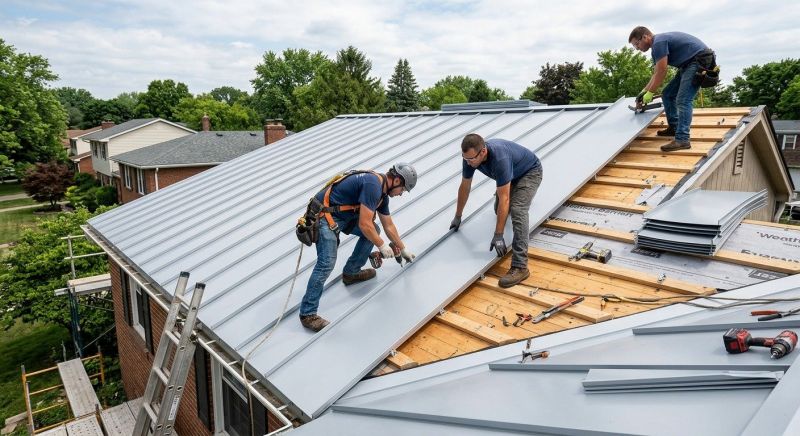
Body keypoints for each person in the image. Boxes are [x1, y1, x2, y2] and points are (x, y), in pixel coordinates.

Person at [299, 163, 418, 332]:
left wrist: (403, 248)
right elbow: (364, 224)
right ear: (397, 180)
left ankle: (351, 273)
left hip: (342, 215)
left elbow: (388, 226)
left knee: (374, 230)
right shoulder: (373, 185)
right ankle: (308, 314)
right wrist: (382, 245)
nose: (401, 194)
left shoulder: (382, 196)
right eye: (403, 190)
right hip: (325, 216)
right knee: (326, 263)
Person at [450, 134, 543, 288]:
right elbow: (465, 187)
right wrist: (458, 216)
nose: (468, 162)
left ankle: (520, 266)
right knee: (498, 210)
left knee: (517, 209)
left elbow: (505, 199)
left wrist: (498, 235)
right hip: (511, 175)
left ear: (483, 152)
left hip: (530, 172)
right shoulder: (469, 158)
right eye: (465, 159)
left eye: (471, 159)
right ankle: (509, 186)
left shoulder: (500, 159)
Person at [629, 26, 713, 152]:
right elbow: (656, 72)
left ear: (645, 37)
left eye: (637, 44)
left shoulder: (659, 42)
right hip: (688, 64)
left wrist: (651, 92)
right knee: (668, 94)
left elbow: (663, 71)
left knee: (683, 100)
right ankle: (674, 128)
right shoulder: (656, 47)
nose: (637, 48)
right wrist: (644, 91)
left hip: (698, 61)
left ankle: (683, 139)